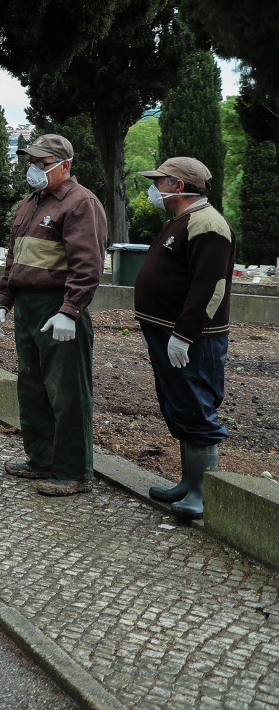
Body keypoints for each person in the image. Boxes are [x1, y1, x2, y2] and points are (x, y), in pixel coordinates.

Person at [0, 134, 107, 497]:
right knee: (33, 386)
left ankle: (73, 471)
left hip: (57, 306)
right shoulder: (31, 203)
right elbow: (15, 257)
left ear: (64, 165)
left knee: (67, 391)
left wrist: (71, 310)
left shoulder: (80, 203)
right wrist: (3, 301)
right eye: (32, 162)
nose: (34, 170)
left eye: (42, 164)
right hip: (28, 306)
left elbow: (88, 264)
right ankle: (40, 457)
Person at [133, 157, 235, 520]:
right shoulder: (182, 220)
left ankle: (202, 494)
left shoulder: (207, 224)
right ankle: (188, 483)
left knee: (196, 408)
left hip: (192, 339)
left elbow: (209, 288)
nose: (153, 187)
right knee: (180, 406)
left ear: (178, 186)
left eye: (159, 181)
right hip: (170, 333)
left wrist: (184, 334)